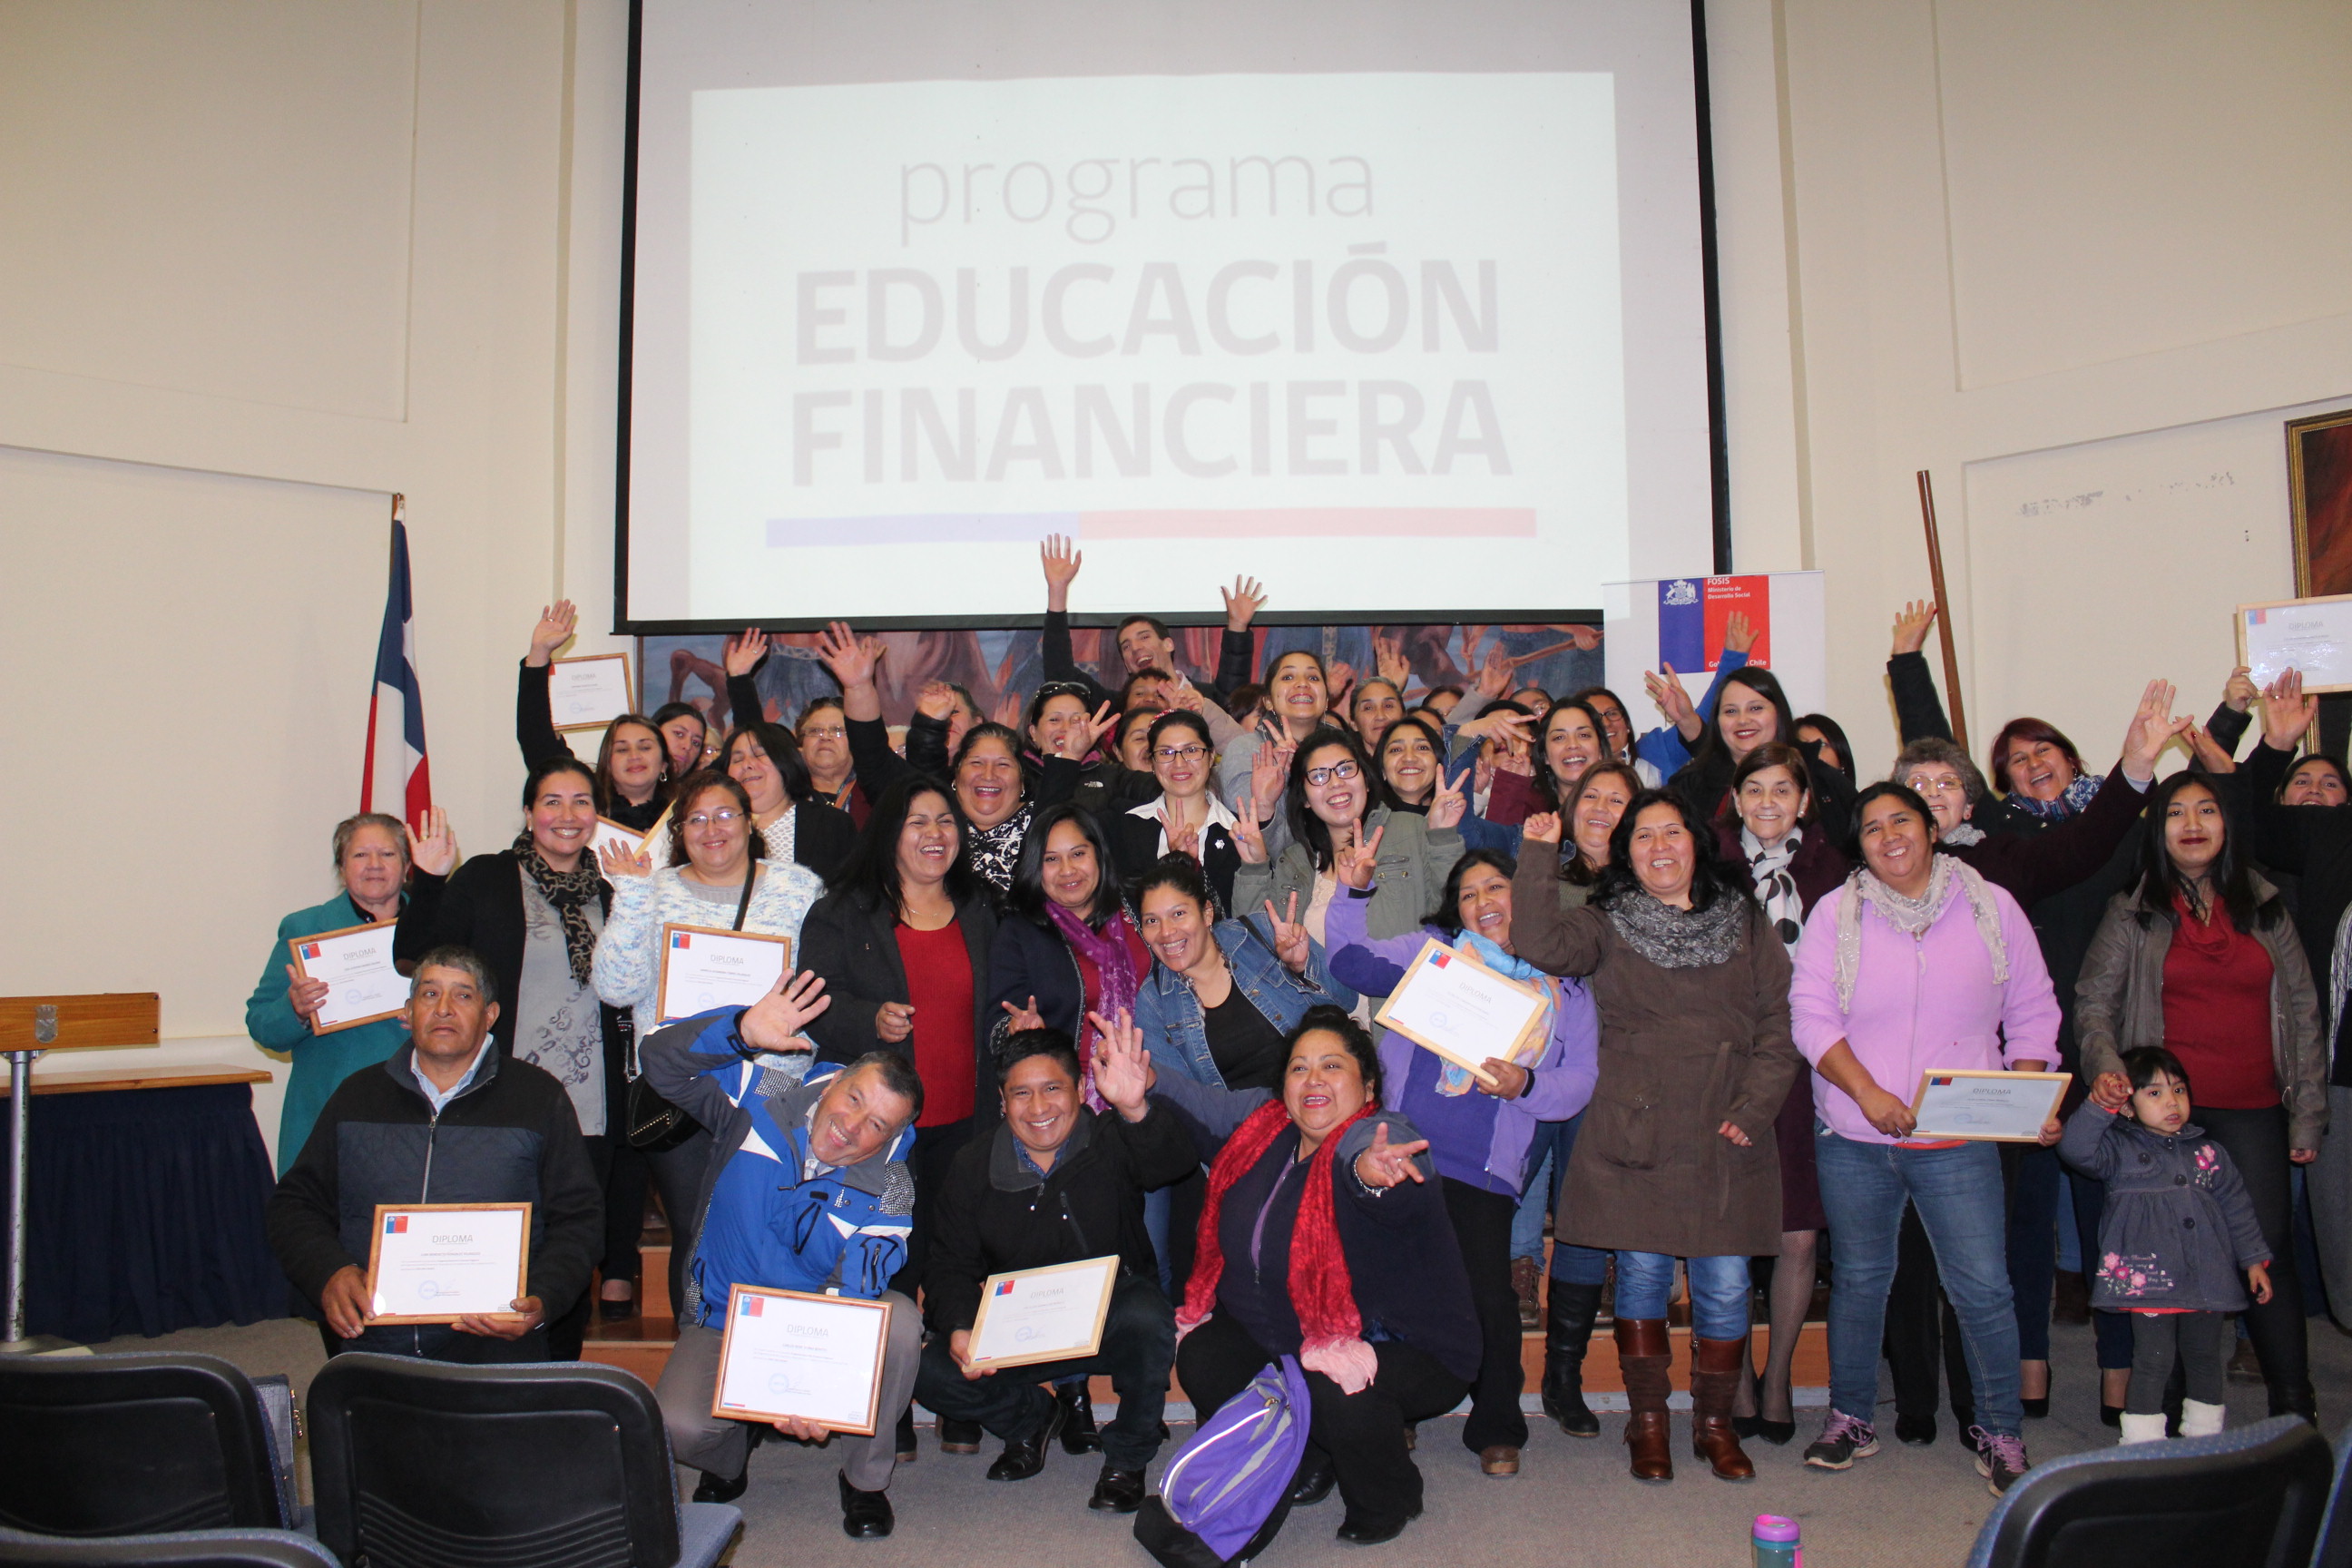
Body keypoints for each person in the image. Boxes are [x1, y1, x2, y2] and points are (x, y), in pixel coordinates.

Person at [1511, 793, 1799, 1485]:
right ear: (1626, 852)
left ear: (1696, 842)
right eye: (1644, 836)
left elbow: (1779, 1022)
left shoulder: (1744, 920)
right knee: (1641, 1276)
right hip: (1635, 1124)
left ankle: (1714, 1425)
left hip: (1728, 1124)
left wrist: (1757, 1106)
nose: (1660, 847)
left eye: (1673, 832)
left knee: (1726, 1285)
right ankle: (1648, 1422)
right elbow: (1539, 943)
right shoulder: (1606, 919)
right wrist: (1539, 854)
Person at [1787, 783, 2062, 1496]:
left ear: (1931, 829)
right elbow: (1811, 1017)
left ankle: (2001, 1432)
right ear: (1860, 846)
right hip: (1854, 1134)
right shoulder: (1834, 913)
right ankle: (1851, 1417)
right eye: (1872, 828)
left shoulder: (1992, 907)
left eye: (1901, 820)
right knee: (1859, 1281)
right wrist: (1868, 1094)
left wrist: (2025, 1098)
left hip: (1958, 1135)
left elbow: (2032, 1009)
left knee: (1983, 1289)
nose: (1890, 837)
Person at [1150, 1007, 1479, 1546]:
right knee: (1205, 1356)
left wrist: (1370, 1175)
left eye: (1332, 1065)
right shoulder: (1265, 1129)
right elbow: (1199, 1101)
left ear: (1367, 1086)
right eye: (1299, 1068)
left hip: (1408, 1345)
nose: (1314, 1079)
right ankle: (1310, 1454)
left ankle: (1391, 1495)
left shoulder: (1374, 1137)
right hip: (1290, 1334)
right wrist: (1147, 1077)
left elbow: (1371, 1160)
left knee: (1332, 1387)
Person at [1323, 846, 1599, 1477]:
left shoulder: (1565, 988)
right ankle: (1393, 1407)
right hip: (1401, 1151)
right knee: (1388, 1287)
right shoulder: (1434, 956)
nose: (1483, 902)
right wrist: (1352, 891)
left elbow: (1581, 1080)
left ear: (1525, 896)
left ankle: (1498, 1426)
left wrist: (1526, 1085)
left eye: (1496, 887)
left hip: (1484, 1167)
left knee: (1486, 1296)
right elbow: (1350, 962)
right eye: (1469, 894)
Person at [2074, 769, 2325, 1424]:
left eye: (2206, 810)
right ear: (2157, 832)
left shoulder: (2266, 906)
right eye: (2175, 812)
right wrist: (2109, 1073)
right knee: (2171, 1264)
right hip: (2161, 1120)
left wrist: (2308, 1115)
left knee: (2266, 1253)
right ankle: (2176, 1416)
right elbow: (2093, 1003)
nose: (2192, 824)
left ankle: (2294, 1411)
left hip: (2254, 1108)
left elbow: (2303, 1013)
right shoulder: (2132, 910)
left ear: (2226, 825)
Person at [639, 977, 922, 1538]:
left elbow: (854, 1296)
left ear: (893, 1137)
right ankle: (731, 1452)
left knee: (901, 1324)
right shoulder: (762, 1095)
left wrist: (809, 1385)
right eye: (854, 1099)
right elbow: (659, 1063)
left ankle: (864, 1480)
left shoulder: (892, 1186)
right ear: (835, 1080)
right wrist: (740, 1029)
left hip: (817, 1325)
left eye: (878, 1125)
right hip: (723, 1315)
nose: (852, 1127)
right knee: (675, 1426)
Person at [799, 774, 1000, 1471]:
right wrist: (869, 1021)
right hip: (883, 1133)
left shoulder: (980, 907)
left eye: (945, 821)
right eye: (917, 822)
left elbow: (999, 1001)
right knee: (887, 1262)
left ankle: (954, 1395)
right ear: (889, 832)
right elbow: (814, 1003)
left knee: (957, 1258)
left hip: (967, 1118)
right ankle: (890, 1404)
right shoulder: (843, 912)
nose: (935, 835)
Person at [267, 947, 601, 1363]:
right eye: (429, 994)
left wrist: (544, 1296)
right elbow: (295, 1205)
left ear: (490, 1015)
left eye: (463, 995)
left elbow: (579, 1217)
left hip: (495, 1349)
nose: (443, 1009)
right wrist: (329, 1272)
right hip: (373, 1348)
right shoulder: (357, 1096)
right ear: (408, 1012)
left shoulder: (538, 1098)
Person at [914, 1024, 1195, 1511]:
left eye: (1052, 1088)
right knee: (928, 1370)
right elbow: (948, 1265)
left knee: (1149, 1314)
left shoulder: (1111, 1139)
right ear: (1003, 1102)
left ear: (1081, 1090)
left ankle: (1128, 1457)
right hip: (1023, 1327)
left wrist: (1135, 1108)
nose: (1038, 1108)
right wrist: (960, 1326)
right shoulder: (973, 1164)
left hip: (1110, 1319)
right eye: (1021, 1093)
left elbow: (1175, 1162)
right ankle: (1031, 1420)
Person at [592, 770, 827, 1321]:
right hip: (682, 1093)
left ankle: (757, 1359)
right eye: (695, 819)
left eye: (725, 815)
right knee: (695, 1232)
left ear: (749, 822)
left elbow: (823, 980)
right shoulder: (653, 891)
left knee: (769, 1230)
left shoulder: (798, 888)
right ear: (679, 832)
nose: (712, 829)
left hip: (776, 1090)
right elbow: (616, 988)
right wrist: (631, 897)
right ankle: (698, 1353)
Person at [1718, 742, 1846, 1443]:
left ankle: (1779, 1377)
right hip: (1726, 1065)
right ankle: (1737, 1377)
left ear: (1803, 801)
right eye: (1755, 790)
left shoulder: (1835, 869)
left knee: (1797, 1229)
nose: (1768, 802)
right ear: (1736, 800)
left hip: (1805, 1062)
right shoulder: (1708, 866)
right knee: (1730, 1230)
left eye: (1782, 790)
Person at [2060, 1046, 2274, 1443]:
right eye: (2155, 1093)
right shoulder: (2118, 1150)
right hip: (2150, 1280)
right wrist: (2100, 1105)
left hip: (2205, 1275)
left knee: (2204, 1357)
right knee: (2152, 1360)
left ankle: (2204, 1440)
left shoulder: (2209, 1152)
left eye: (2179, 1090)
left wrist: (2254, 1260)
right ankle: (2141, 1445)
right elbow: (2075, 1148)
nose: (2172, 1102)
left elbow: (2238, 1207)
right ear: (2128, 1106)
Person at [818, 624, 1044, 895]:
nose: (988, 774)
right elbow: (872, 754)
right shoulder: (926, 803)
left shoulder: (1045, 824)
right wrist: (858, 687)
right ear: (957, 773)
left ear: (1022, 778)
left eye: (1003, 764)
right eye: (976, 763)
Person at [246, 812, 413, 1176]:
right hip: (327, 1110)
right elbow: (261, 1024)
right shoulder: (305, 928)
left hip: (415, 1110)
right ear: (341, 867)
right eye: (360, 855)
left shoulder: (438, 925)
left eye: (387, 854)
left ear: (406, 867)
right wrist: (295, 1009)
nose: (374, 865)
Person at [1234, 730, 1465, 949]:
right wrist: (1254, 868)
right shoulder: (1294, 862)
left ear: (1366, 780)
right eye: (1319, 776)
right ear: (1305, 798)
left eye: (1345, 769)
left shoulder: (1411, 830)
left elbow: (1454, 914)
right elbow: (1253, 945)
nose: (1335, 783)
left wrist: (1443, 837)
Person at [1036, 534, 1260, 703]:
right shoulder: (1118, 708)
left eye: (1144, 637)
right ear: (1127, 664)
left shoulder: (1206, 699)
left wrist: (1238, 626)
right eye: (1126, 647)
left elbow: (1234, 692)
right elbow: (1060, 675)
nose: (1135, 649)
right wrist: (1057, 590)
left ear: (1168, 644)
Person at [516, 601, 676, 832]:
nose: (634, 756)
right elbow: (536, 739)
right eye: (621, 749)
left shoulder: (686, 817)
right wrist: (539, 654)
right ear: (607, 763)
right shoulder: (582, 803)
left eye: (645, 747)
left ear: (664, 764)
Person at [1667, 665, 1853, 837]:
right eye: (1730, 711)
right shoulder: (1689, 788)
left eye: (1755, 708)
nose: (1743, 720)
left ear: (1779, 712)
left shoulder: (1824, 782)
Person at [1110, 709, 1241, 913]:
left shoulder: (1239, 832)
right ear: (1152, 763)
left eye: (1191, 750)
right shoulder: (1123, 826)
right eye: (1166, 753)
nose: (1179, 764)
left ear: (1211, 756)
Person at [717, 719, 858, 879]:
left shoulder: (832, 825)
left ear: (786, 761)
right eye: (737, 760)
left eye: (759, 754)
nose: (747, 765)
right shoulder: (715, 828)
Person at [797, 694, 866, 821]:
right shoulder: (785, 796)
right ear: (801, 746)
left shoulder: (875, 794)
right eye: (815, 731)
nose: (825, 737)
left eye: (837, 730)